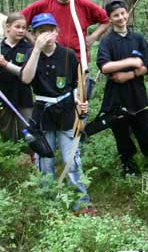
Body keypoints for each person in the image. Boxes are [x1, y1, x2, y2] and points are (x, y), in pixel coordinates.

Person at [21, 13, 93, 213]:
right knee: (46, 159)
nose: (46, 35)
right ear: (34, 35)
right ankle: (48, 204)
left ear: (57, 32)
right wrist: (36, 50)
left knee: (72, 160)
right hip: (42, 114)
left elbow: (76, 84)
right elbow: (26, 79)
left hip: (67, 112)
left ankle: (82, 202)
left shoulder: (68, 55)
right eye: (41, 32)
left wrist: (80, 101)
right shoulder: (31, 53)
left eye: (50, 30)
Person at [96, 0, 148, 175]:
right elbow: (104, 66)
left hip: (138, 95)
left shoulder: (138, 38)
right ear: (110, 19)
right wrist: (130, 62)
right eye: (116, 15)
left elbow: (147, 66)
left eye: (123, 13)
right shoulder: (107, 41)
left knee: (147, 131)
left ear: (127, 13)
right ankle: (128, 167)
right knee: (122, 134)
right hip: (116, 97)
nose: (121, 17)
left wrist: (128, 74)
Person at [20, 0, 109, 62]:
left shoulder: (82, 3)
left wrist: (93, 36)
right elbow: (16, 22)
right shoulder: (43, 5)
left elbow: (107, 19)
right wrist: (32, 40)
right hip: (49, 60)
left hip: (78, 61)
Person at [0, 13, 33, 143]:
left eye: (24, 28)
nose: (21, 30)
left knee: (27, 127)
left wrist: (6, 64)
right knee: (5, 128)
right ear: (8, 27)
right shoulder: (1, 47)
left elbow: (27, 73)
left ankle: (31, 157)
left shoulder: (28, 48)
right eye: (17, 27)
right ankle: (11, 158)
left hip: (23, 95)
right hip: (3, 96)